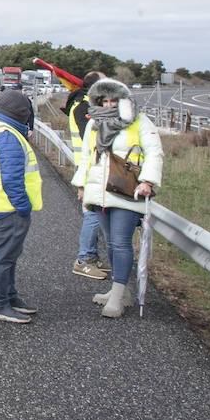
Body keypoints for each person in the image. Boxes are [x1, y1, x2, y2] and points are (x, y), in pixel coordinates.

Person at [70, 78, 163, 318]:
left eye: (114, 100)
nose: (110, 105)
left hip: (126, 192)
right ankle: (118, 290)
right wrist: (81, 184)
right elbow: (87, 158)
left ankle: (119, 295)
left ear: (123, 101)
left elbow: (155, 152)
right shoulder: (94, 125)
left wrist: (147, 181)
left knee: (121, 243)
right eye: (105, 100)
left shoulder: (139, 121)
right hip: (99, 192)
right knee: (110, 243)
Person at [0, 90, 42, 323]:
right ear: (22, 113)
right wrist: (22, 206)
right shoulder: (7, 134)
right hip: (8, 207)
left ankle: (10, 297)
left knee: (8, 255)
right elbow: (12, 178)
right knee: (4, 256)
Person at [66, 71, 111, 280]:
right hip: (89, 167)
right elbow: (91, 137)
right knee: (93, 213)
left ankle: (91, 255)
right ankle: (83, 259)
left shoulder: (86, 104)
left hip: (93, 166)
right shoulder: (83, 107)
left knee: (96, 212)